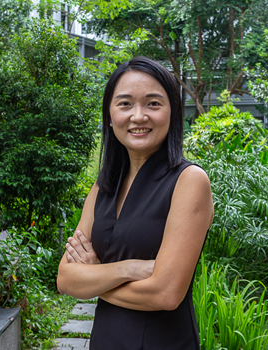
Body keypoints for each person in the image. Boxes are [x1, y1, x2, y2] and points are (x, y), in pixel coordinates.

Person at [57, 56, 214, 350]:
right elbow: (66, 278)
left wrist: (95, 276)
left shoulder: (189, 181)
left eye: (153, 104)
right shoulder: (103, 187)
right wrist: (128, 269)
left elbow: (165, 294)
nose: (138, 116)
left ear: (173, 112)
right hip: (105, 340)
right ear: (110, 114)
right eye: (125, 103)